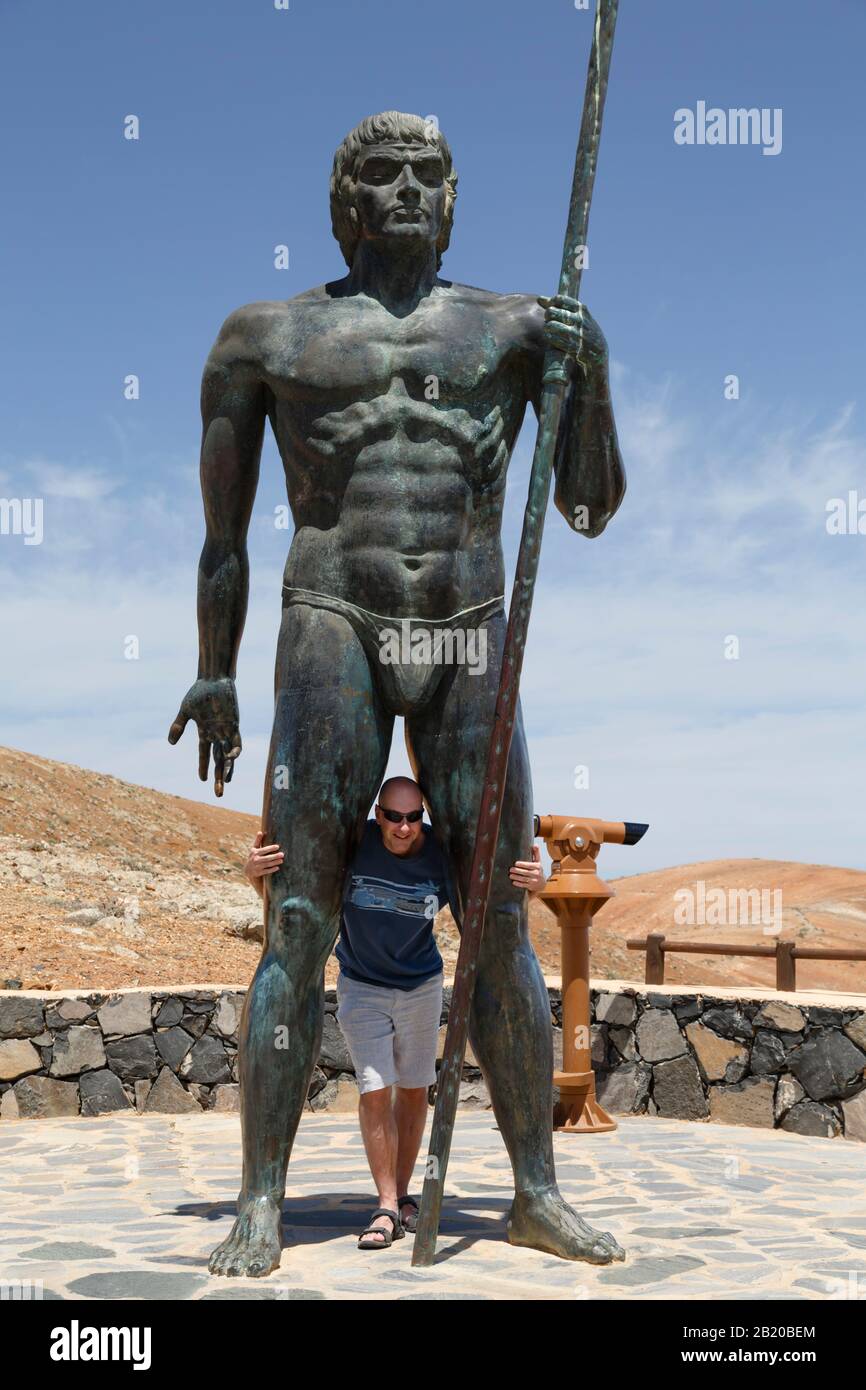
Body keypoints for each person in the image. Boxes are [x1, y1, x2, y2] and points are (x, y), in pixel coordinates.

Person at [170, 109, 627, 1277]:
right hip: (329, 615)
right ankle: (260, 1200)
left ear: (454, 197)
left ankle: (532, 1190)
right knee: (298, 916)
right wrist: (215, 667)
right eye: (383, 174)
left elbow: (585, 507)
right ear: (343, 202)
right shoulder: (263, 339)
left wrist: (591, 374)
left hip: (470, 627)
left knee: (499, 920)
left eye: (428, 175)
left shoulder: (518, 328)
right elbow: (221, 538)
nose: (408, 191)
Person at [245, 775, 544, 1249]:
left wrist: (534, 884)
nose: (404, 828)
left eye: (413, 818)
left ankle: (404, 1193)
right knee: (374, 1088)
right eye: (393, 817)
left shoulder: (439, 854)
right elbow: (293, 897)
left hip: (421, 987)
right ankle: (386, 1204)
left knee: (412, 1091)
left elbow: (490, 899)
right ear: (377, 815)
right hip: (362, 986)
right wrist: (255, 874)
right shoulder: (353, 845)